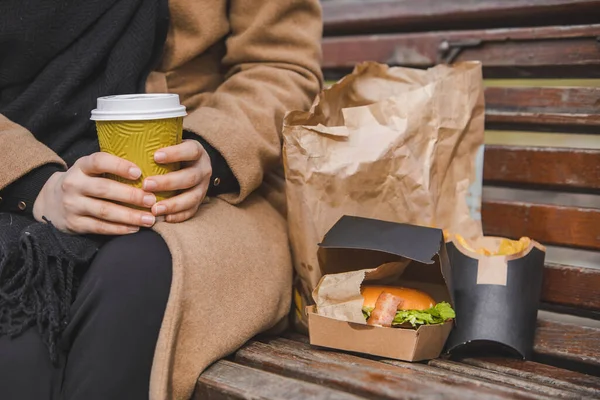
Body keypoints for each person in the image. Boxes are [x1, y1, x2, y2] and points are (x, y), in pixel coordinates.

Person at [0, 0, 323, 399]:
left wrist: (210, 151)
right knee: (17, 337)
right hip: (13, 189)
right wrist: (33, 184)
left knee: (132, 282)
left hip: (201, 194)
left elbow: (280, 65)